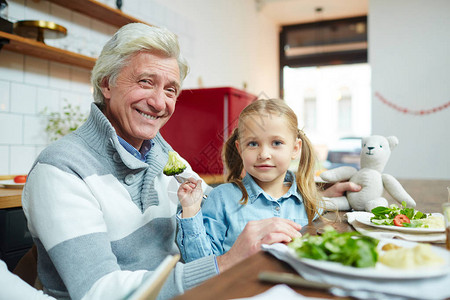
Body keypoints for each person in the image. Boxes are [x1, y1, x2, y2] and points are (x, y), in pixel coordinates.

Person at [22, 23, 340, 300]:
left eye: (170, 89)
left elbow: (222, 206)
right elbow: (99, 293)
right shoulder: (61, 169)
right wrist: (225, 263)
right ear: (107, 83)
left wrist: (321, 191)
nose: (159, 103)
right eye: (145, 82)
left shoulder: (163, 155)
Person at [176, 98, 331, 261]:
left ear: (295, 149)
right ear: (240, 148)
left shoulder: (309, 199)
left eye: (276, 143)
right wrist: (191, 210)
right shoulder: (221, 198)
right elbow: (200, 263)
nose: (264, 154)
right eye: (253, 143)